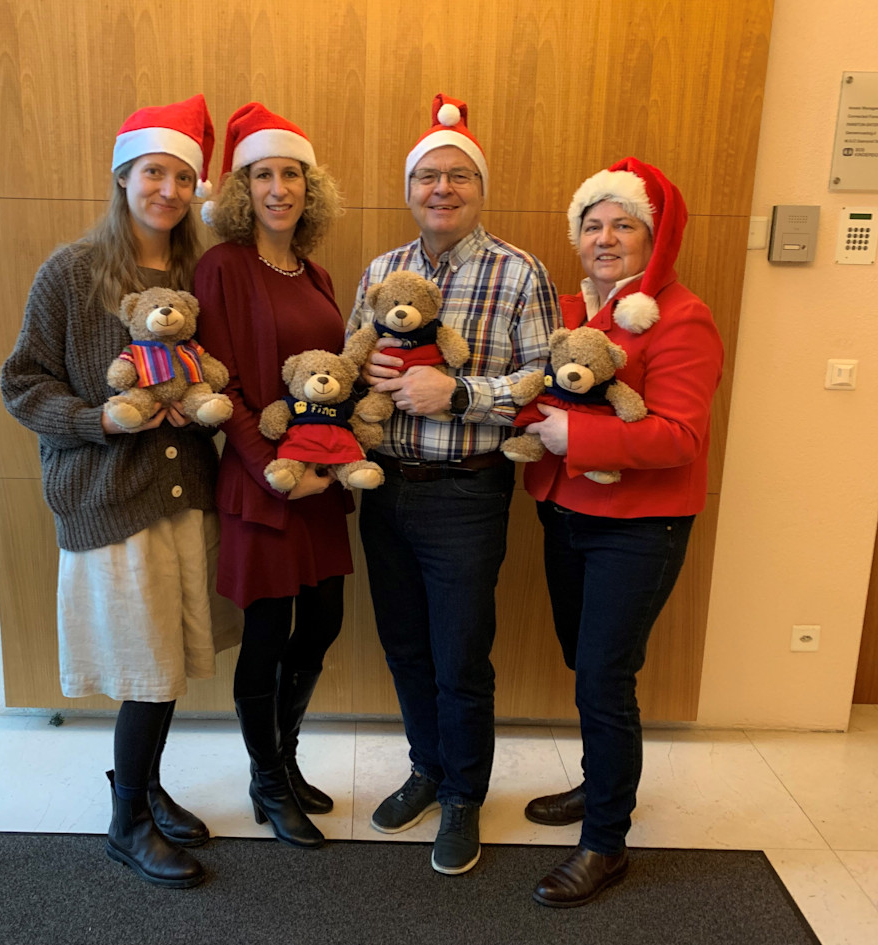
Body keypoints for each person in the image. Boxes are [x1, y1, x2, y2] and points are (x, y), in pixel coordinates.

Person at [0, 96, 240, 889]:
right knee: (145, 665)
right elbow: (22, 382)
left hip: (184, 493)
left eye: (182, 175)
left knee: (165, 660)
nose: (168, 189)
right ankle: (127, 821)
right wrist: (96, 416)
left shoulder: (196, 275)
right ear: (124, 177)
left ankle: (141, 785)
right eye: (153, 172)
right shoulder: (72, 272)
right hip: (111, 497)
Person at [347, 93, 560, 876]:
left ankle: (465, 792)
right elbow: (345, 366)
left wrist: (461, 390)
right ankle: (427, 768)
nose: (441, 188)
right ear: (409, 191)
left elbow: (543, 379)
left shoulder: (519, 271)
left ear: (479, 190)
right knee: (404, 644)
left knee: (460, 652)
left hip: (467, 493)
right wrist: (362, 371)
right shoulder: (381, 271)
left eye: (457, 177)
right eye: (428, 176)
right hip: (386, 487)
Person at [520, 158, 723, 908]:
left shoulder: (683, 316)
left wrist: (578, 437)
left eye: (623, 225)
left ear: (653, 236)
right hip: (564, 514)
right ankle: (599, 781)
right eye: (593, 224)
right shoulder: (569, 308)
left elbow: (679, 436)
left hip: (639, 527)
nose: (605, 238)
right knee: (586, 662)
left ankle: (605, 840)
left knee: (606, 679)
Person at [195, 103, 347, 849]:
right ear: (241, 188)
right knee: (267, 637)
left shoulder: (315, 271)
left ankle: (284, 757)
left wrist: (338, 463)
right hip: (264, 486)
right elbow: (224, 389)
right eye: (263, 174)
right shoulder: (222, 266)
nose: (279, 187)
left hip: (325, 489)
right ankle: (265, 780)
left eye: (292, 173)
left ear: (309, 188)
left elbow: (334, 379)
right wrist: (278, 469)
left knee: (322, 625)